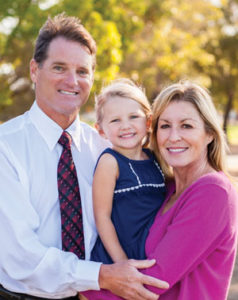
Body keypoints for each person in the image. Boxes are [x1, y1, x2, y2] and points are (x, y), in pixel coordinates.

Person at [0, 13, 169, 300]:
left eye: (82, 71)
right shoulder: (6, 147)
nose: (72, 80)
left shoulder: (104, 146)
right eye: (59, 68)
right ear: (34, 70)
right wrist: (102, 275)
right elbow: (21, 256)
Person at [81, 80, 238, 300]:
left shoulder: (213, 191)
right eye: (165, 126)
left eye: (186, 125)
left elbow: (149, 284)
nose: (173, 137)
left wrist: (83, 286)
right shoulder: (166, 188)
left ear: (210, 133)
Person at [89, 79, 166, 264]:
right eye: (115, 120)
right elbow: (102, 217)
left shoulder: (155, 158)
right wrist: (122, 262)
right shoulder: (110, 162)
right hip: (118, 256)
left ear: (148, 122)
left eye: (133, 117)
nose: (126, 125)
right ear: (100, 130)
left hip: (150, 253)